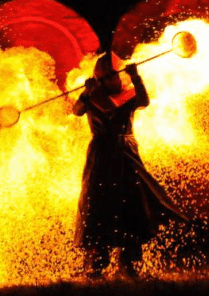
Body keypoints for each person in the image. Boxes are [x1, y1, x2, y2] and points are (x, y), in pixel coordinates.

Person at [72, 53, 188, 279]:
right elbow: (77, 110)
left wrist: (136, 78)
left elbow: (143, 101)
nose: (115, 79)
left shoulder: (125, 95)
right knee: (97, 205)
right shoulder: (93, 95)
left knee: (132, 204)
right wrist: (86, 92)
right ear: (101, 77)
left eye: (116, 75)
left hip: (125, 150)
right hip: (102, 154)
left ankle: (128, 263)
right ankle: (96, 263)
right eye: (109, 76)